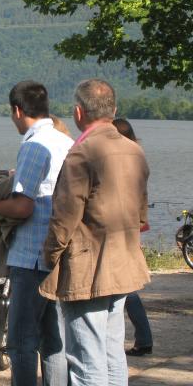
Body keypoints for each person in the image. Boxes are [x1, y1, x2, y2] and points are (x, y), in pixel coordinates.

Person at [40, 79, 151, 385]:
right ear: (113, 110)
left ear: (78, 113)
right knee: (113, 353)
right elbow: (142, 212)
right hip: (124, 263)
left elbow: (63, 218)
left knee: (86, 360)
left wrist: (49, 255)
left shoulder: (82, 153)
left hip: (88, 270)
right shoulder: (134, 151)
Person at [0, 80, 72, 386]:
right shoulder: (66, 143)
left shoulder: (34, 146)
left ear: (17, 110)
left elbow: (23, 207)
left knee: (22, 342)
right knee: (53, 341)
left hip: (31, 257)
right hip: (58, 254)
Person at [112, 118, 154, 357]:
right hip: (132, 228)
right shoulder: (137, 157)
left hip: (121, 229)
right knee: (127, 287)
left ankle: (143, 338)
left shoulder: (122, 161)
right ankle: (143, 338)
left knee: (126, 289)